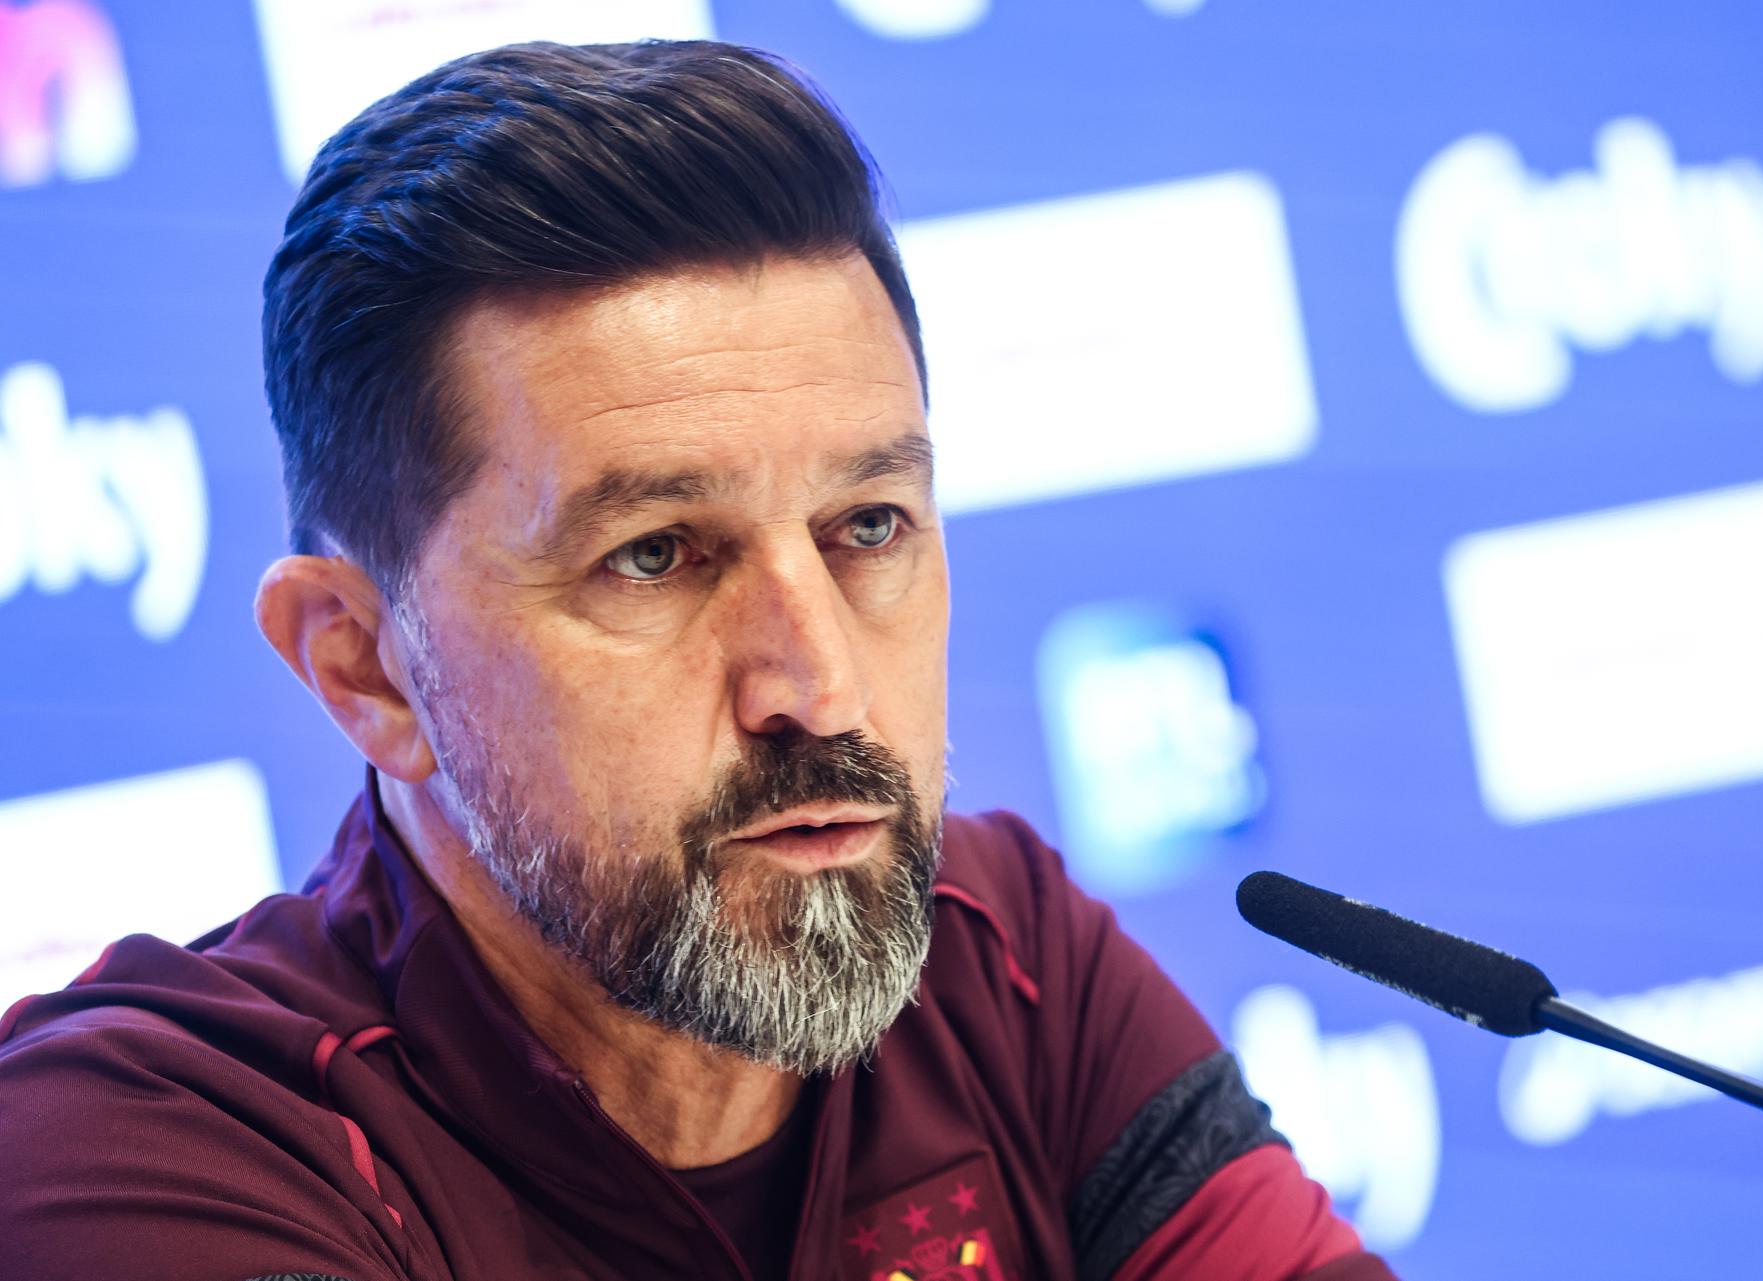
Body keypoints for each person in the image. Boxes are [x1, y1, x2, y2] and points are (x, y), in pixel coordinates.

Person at [0, 40, 1395, 1281]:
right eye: (657, 553)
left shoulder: (1000, 952)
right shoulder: (141, 1146)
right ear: (365, 666)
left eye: (867, 526)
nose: (820, 683)